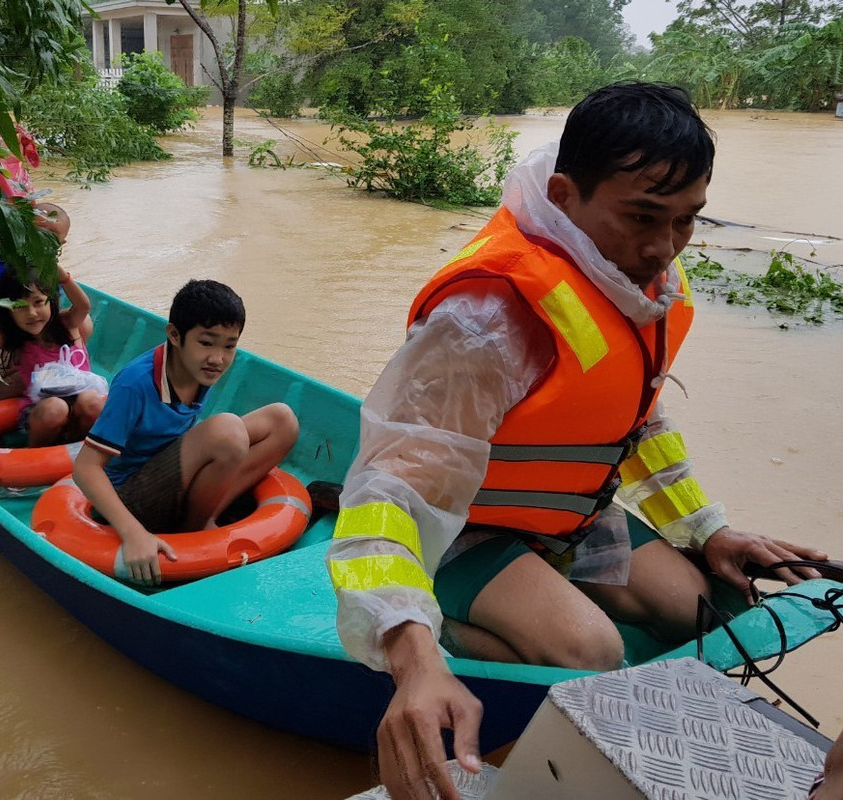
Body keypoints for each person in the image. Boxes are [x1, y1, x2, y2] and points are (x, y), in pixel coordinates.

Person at [324, 82, 829, 800]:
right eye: (642, 217)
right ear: (564, 195)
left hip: (572, 519)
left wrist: (709, 530)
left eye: (687, 221)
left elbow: (637, 421)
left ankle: (547, 600)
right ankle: (449, 628)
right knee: (589, 650)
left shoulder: (641, 279)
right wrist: (411, 652)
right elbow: (386, 493)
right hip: (468, 529)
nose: (663, 248)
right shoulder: (484, 320)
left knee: (704, 607)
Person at [72, 279, 299, 586]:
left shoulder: (200, 368)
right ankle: (192, 532)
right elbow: (85, 468)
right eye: (207, 343)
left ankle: (203, 516)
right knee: (228, 431)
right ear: (175, 335)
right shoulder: (135, 383)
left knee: (282, 421)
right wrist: (133, 532)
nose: (218, 358)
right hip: (132, 497)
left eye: (229, 345)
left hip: (173, 472)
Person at [0, 265, 104, 447]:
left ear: (52, 301)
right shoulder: (13, 340)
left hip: (80, 401)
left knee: (92, 402)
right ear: (8, 311)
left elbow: (83, 305)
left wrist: (61, 274)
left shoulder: (67, 323)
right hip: (41, 410)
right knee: (55, 408)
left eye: (39, 302)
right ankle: (34, 453)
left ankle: (78, 444)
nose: (32, 313)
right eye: (20, 307)